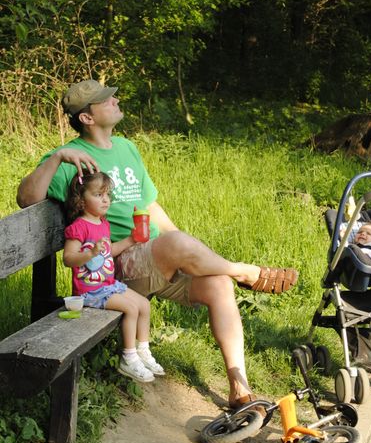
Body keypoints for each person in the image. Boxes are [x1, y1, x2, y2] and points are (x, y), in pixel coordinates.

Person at [17, 79, 299, 409]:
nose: (115, 101)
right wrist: (57, 158)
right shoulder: (71, 159)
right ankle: (247, 272)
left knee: (219, 284)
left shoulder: (127, 148)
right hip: (116, 266)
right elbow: (27, 198)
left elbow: (149, 206)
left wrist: (184, 249)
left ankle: (239, 387)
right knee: (204, 260)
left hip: (156, 257)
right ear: (87, 118)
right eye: (105, 100)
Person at [63, 170, 165, 383]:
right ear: (81, 199)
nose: (105, 199)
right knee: (131, 308)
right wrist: (90, 253)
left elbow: (109, 251)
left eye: (107, 194)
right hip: (89, 292)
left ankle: (143, 351)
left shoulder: (103, 224)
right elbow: (68, 258)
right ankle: (128, 357)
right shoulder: (78, 227)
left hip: (108, 285)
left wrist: (131, 239)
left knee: (144, 304)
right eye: (98, 194)